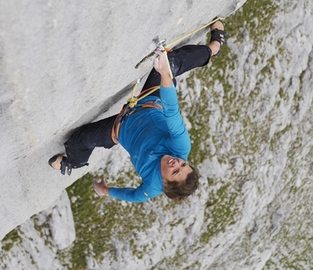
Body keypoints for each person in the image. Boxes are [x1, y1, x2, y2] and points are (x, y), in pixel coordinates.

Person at [48, 20, 228, 203]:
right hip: (150, 100)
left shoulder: (153, 186)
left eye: (175, 171)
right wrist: (165, 74)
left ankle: (73, 163)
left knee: (78, 141)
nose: (177, 162)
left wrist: (105, 190)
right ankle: (214, 47)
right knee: (170, 61)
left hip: (119, 128)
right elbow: (172, 111)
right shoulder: (180, 147)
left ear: (165, 183)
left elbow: (134, 196)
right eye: (183, 164)